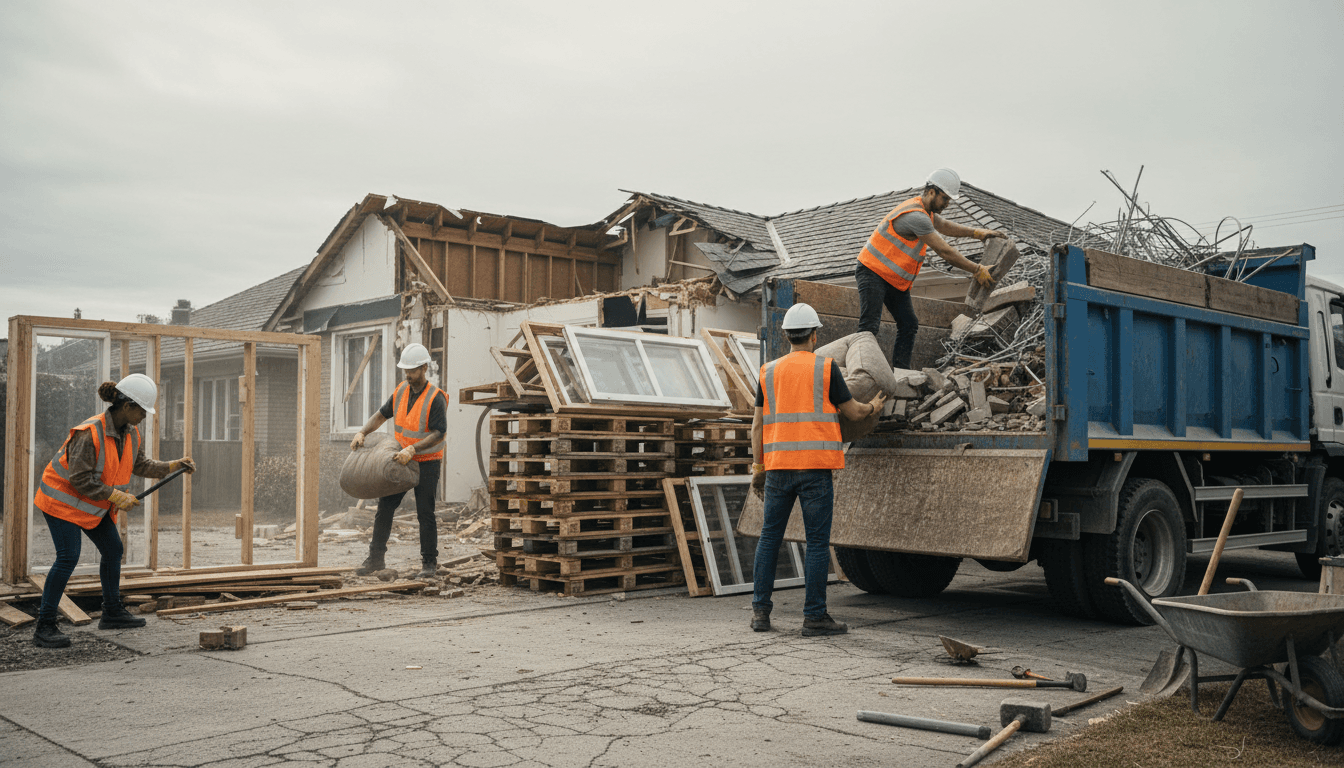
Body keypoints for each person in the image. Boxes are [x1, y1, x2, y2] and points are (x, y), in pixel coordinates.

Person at [749, 304, 888, 636]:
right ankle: (814, 617)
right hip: (815, 470)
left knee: (769, 538)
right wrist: (874, 406)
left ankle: (760, 614)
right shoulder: (826, 369)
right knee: (815, 542)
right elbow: (853, 413)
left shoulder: (768, 371)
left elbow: (756, 426)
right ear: (814, 335)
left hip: (779, 469)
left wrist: (758, 467)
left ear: (785, 336)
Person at [32, 374, 196, 648]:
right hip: (61, 503)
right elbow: (80, 479)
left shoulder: (130, 433)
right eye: (143, 410)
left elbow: (140, 465)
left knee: (112, 551)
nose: (145, 415)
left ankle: (111, 613)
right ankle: (44, 625)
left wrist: (173, 465)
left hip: (92, 506)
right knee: (68, 557)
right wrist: (117, 495)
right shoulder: (89, 433)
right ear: (127, 406)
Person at [856, 167, 1009, 370]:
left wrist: (978, 233)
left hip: (893, 279)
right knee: (869, 326)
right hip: (872, 271)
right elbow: (944, 251)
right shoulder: (915, 216)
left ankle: (901, 373)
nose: (946, 204)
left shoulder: (925, 212)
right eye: (945, 199)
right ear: (932, 191)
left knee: (909, 324)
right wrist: (977, 269)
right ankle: (860, 371)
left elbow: (944, 225)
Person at [349, 343, 447, 579]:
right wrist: (363, 432)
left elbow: (438, 432)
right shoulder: (402, 390)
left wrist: (413, 449)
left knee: (425, 512)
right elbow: (381, 415)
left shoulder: (436, 398)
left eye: (412, 370)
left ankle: (429, 563)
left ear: (424, 368)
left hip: (426, 461)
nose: (408, 374)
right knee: (385, 509)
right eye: (405, 370)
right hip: (401, 460)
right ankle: (375, 560)